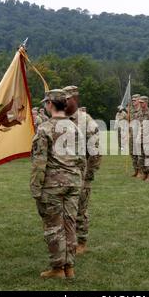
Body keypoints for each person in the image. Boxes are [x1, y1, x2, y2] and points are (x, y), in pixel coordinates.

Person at [31, 89, 86, 279]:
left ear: (49, 104)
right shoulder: (75, 127)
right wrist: (78, 179)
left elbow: (39, 162)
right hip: (73, 182)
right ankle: (69, 267)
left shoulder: (45, 128)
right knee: (70, 225)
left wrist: (35, 188)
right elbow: (82, 159)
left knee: (54, 226)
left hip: (53, 185)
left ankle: (57, 268)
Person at [63, 85, 102, 255]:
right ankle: (67, 238)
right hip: (63, 174)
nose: (64, 103)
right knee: (64, 209)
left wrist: (89, 175)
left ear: (75, 99)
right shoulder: (60, 119)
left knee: (80, 209)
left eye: (67, 99)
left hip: (81, 174)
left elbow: (95, 151)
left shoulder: (86, 121)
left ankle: (82, 240)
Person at [129, 95, 141, 177]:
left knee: (139, 154)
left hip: (140, 135)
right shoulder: (131, 111)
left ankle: (141, 171)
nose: (133, 102)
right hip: (132, 135)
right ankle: (136, 170)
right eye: (132, 100)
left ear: (139, 100)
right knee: (133, 153)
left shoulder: (142, 110)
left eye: (135, 100)